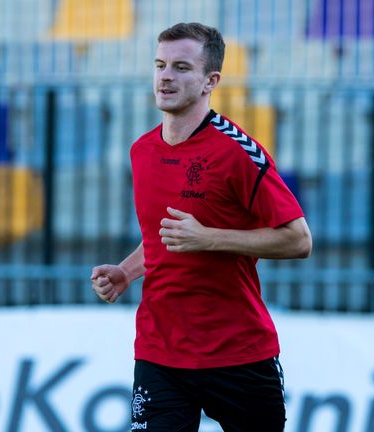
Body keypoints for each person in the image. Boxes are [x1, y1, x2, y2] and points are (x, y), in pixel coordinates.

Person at [91, 23, 312, 431]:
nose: (165, 77)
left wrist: (208, 238)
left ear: (211, 80)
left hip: (238, 353)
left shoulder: (238, 151)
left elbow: (298, 239)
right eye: (160, 65)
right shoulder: (142, 151)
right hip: (161, 352)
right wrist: (126, 270)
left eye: (180, 67)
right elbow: (163, 236)